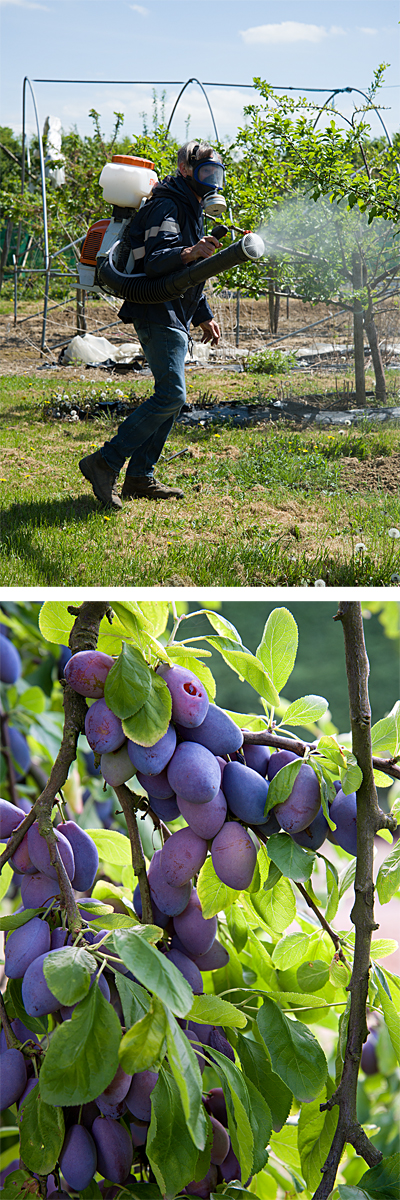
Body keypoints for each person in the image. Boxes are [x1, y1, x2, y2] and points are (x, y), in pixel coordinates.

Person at [79, 140, 225, 510]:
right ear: (185, 170)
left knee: (172, 399)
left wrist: (203, 313)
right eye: (205, 171)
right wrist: (189, 252)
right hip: (157, 309)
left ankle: (140, 477)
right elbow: (159, 261)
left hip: (175, 310)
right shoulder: (167, 204)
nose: (212, 179)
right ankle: (104, 462)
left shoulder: (191, 206)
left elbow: (188, 273)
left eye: (216, 173)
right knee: (172, 395)